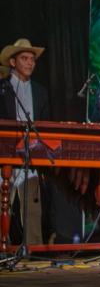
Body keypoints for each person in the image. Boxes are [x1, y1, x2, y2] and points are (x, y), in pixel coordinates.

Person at [0, 38, 49, 246]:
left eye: (32, 59)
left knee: (32, 211)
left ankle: (33, 254)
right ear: (13, 62)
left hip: (31, 158)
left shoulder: (40, 92)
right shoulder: (2, 89)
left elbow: (46, 126)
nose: (30, 63)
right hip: (4, 158)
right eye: (24, 58)